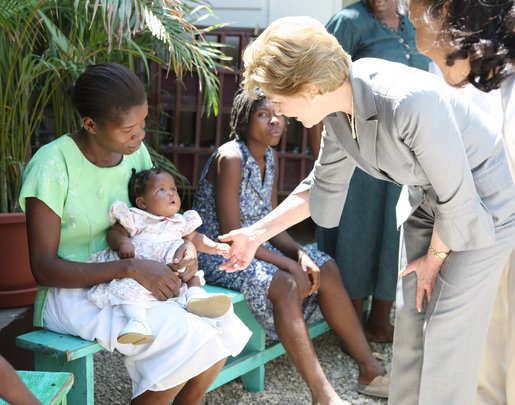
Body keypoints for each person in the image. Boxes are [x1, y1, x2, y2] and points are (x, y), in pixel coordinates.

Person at [217, 16, 515, 405]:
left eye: (280, 100)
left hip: (480, 204)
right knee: (411, 327)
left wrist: (435, 257)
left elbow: (456, 198)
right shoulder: (339, 111)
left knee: (446, 333)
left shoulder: (407, 101)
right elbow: (317, 189)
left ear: (311, 88)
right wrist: (254, 235)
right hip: (428, 202)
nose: (280, 112)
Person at [19, 62, 251, 405]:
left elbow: (155, 216)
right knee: (185, 333)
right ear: (90, 124)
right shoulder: (52, 166)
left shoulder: (134, 154)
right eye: (128, 128)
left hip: (141, 275)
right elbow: (44, 268)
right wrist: (130, 268)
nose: (139, 135)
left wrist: (186, 246)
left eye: (142, 123)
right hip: (75, 293)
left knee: (221, 321)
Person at [192, 87, 389, 402]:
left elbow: (272, 223)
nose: (275, 122)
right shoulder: (230, 157)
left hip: (258, 249)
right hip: (222, 256)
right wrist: (287, 264)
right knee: (284, 283)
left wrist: (298, 254)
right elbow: (232, 234)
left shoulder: (269, 157)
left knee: (325, 265)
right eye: (263, 115)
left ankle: (369, 368)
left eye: (279, 115)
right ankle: (322, 394)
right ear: (244, 121)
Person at [406, 1, 514, 403]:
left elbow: (468, 179)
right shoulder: (463, 70)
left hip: (491, 220)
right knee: (486, 345)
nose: (405, 16)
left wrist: (437, 251)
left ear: (446, 12)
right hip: (488, 228)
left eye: (413, 12)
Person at [312, 0, 431, 343]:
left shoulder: (412, 24)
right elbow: (319, 85)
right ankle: (350, 329)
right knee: (357, 234)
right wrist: (322, 151)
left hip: (404, 154)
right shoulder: (348, 21)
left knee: (393, 234)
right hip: (358, 151)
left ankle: (380, 321)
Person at [86, 167, 233, 345]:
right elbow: (115, 232)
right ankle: (136, 322)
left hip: (172, 269)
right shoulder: (137, 217)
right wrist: (122, 242)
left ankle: (196, 298)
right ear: (142, 202)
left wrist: (215, 247)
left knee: (191, 274)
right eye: (161, 190)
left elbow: (195, 238)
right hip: (142, 269)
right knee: (129, 288)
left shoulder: (180, 221)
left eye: (173, 189)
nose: (171, 194)